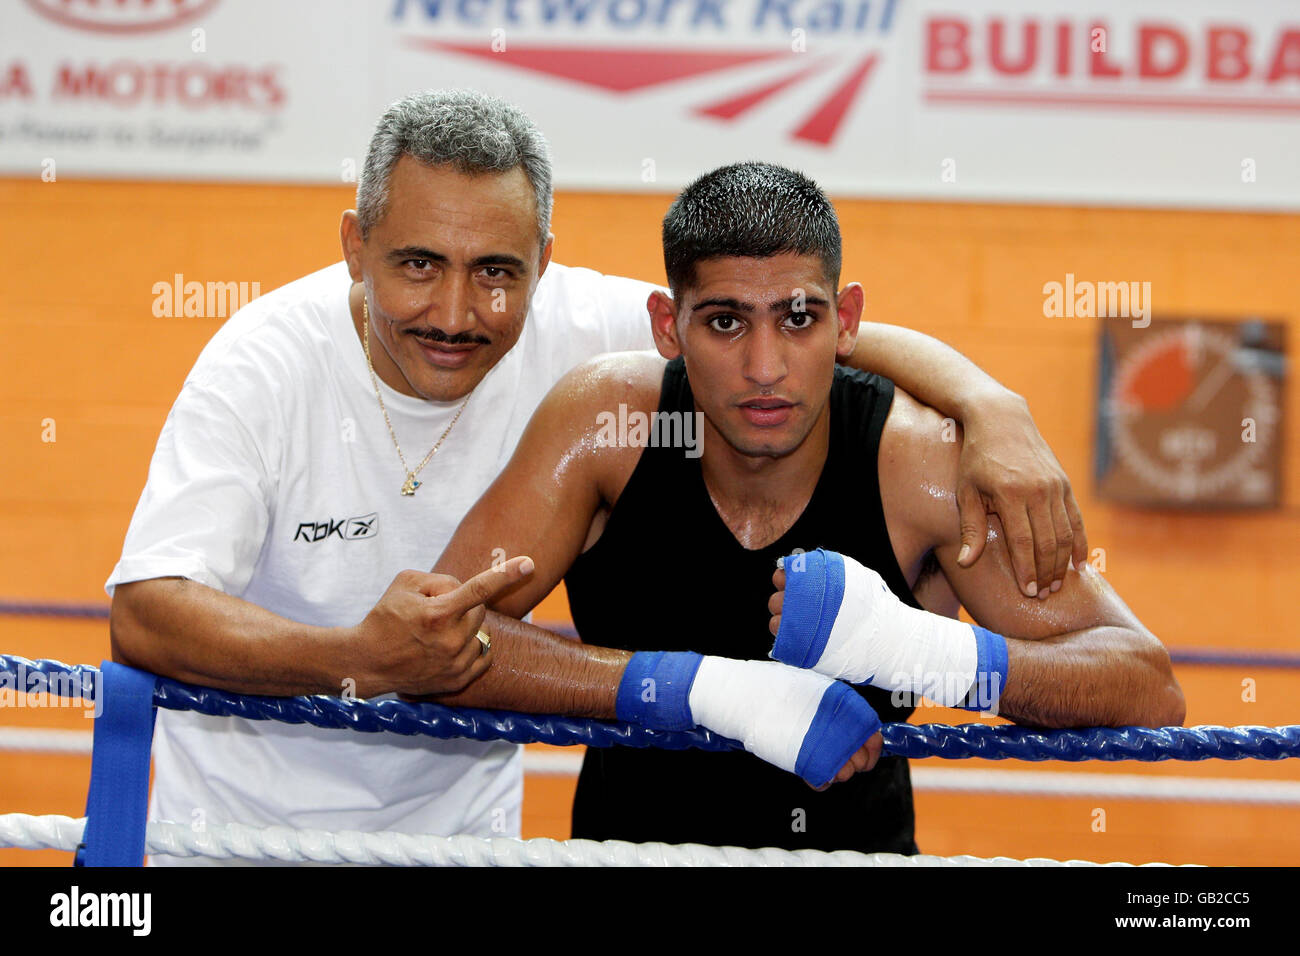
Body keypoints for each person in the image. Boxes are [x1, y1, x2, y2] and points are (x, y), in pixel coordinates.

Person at [108, 89, 1089, 857]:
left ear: (543, 260)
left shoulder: (588, 330)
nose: (457, 309)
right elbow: (148, 609)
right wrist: (359, 658)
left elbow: (783, 325)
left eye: (496, 270)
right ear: (354, 245)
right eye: (416, 264)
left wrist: (990, 406)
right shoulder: (264, 361)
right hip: (235, 834)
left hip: (460, 843)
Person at [431, 161, 1185, 852]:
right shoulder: (608, 429)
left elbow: (1147, 687)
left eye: (799, 319)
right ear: (670, 327)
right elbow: (439, 637)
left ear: (845, 320)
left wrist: (919, 652)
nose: (766, 368)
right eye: (725, 321)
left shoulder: (914, 465)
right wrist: (701, 691)